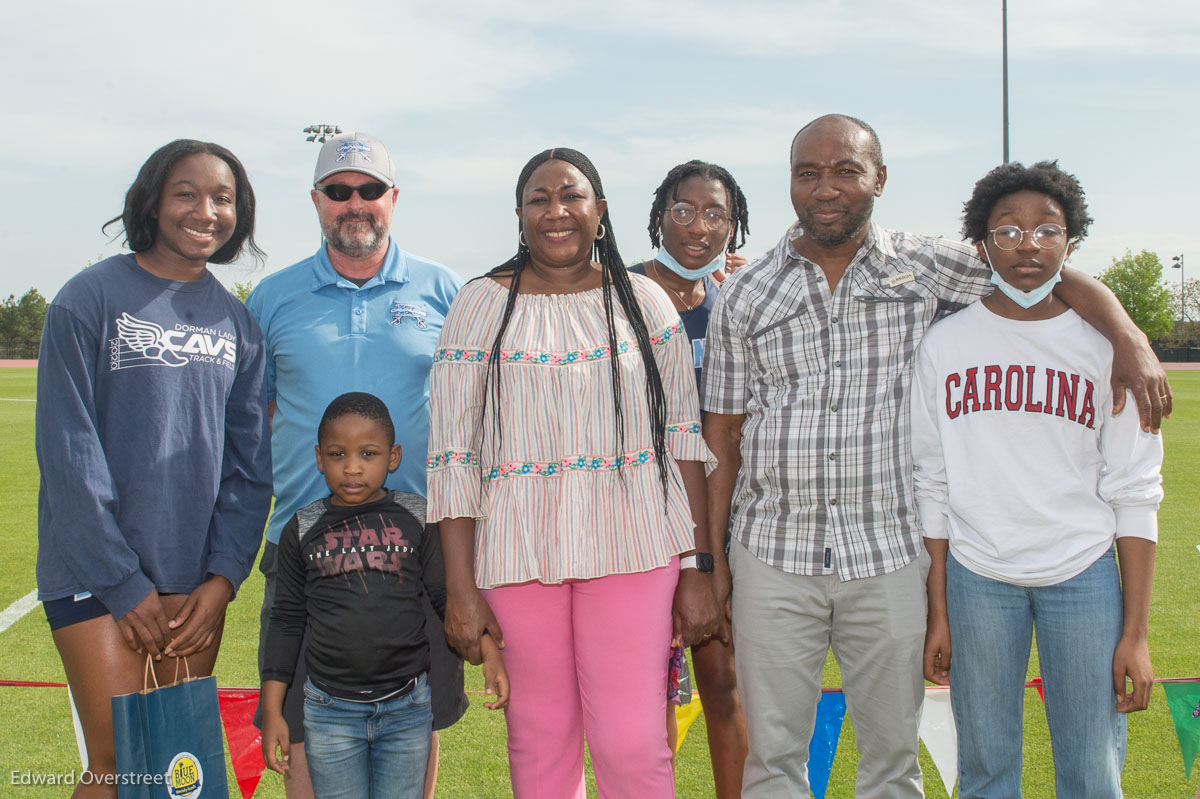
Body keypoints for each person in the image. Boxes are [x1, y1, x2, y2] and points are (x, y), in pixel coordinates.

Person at [701, 114, 1172, 798]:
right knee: (773, 762)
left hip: (888, 554)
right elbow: (723, 433)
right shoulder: (746, 290)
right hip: (774, 550)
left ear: (881, 179)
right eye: (809, 173)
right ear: (792, 183)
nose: (826, 188)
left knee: (892, 763)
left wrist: (1125, 334)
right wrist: (711, 560)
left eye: (846, 170)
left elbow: (1039, 265)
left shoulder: (926, 265)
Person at [427, 147, 719, 798]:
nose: (556, 210)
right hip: (515, 552)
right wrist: (460, 589)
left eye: (571, 195)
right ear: (520, 213)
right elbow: (452, 455)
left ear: (601, 211)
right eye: (539, 198)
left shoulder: (645, 303)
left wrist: (698, 566)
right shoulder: (478, 305)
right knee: (539, 739)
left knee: (633, 742)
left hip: (636, 548)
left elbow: (684, 442)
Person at [914, 161, 1162, 798]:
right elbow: (932, 485)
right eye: (1007, 231)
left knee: (1090, 771)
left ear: (1071, 243)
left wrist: (1134, 635)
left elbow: (1135, 492)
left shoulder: (1108, 348)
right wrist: (938, 610)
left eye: (1047, 230)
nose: (1028, 244)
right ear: (980, 245)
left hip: (1082, 573)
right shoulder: (944, 344)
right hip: (976, 575)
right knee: (986, 770)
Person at [35, 140, 273, 798]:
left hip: (193, 584)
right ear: (152, 201)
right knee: (117, 766)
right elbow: (68, 452)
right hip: (96, 574)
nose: (206, 209)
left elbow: (249, 472)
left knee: (176, 765)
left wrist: (223, 578)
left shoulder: (239, 324)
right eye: (186, 193)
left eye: (222, 197)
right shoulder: (87, 298)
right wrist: (121, 579)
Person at [246, 131, 467, 799]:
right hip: (303, 550)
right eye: (339, 191)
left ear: (392, 198)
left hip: (414, 551)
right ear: (317, 200)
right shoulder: (273, 297)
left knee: (410, 728)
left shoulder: (444, 289)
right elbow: (250, 423)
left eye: (370, 190)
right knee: (308, 744)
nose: (355, 203)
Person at [261, 392, 508, 799]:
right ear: (319, 458)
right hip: (329, 713)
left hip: (406, 710)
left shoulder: (416, 517)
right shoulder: (302, 528)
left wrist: (489, 652)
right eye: (338, 454)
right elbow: (286, 622)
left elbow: (446, 600)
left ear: (392, 457)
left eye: (368, 453)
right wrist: (273, 710)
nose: (353, 467)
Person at [631, 159, 750, 797]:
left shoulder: (738, 302)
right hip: (638, 520)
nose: (698, 226)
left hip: (719, 518)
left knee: (727, 687)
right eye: (683, 209)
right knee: (647, 701)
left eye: (716, 214)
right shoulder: (617, 292)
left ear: (734, 228)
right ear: (659, 215)